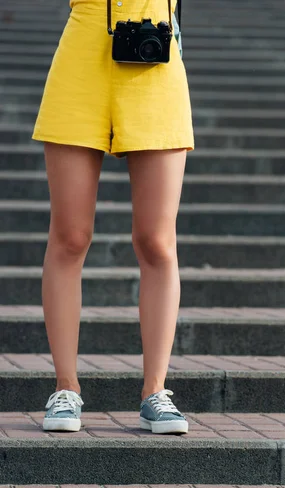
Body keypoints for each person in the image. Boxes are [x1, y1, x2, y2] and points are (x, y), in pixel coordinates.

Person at [31, 0, 194, 435]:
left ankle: (155, 391)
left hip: (155, 54)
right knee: (70, 236)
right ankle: (65, 387)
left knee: (157, 240)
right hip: (82, 57)